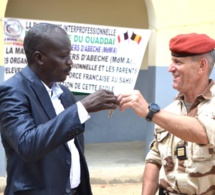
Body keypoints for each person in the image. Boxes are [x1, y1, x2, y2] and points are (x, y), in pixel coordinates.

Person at [0, 23, 118, 195]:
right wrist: (81, 108)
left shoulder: (63, 92)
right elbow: (27, 144)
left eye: (69, 54)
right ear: (39, 58)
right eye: (63, 56)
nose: (70, 62)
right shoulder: (13, 92)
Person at [118, 33, 215, 195]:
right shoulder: (169, 111)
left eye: (178, 62)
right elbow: (154, 159)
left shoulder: (160, 114)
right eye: (171, 61)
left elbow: (204, 132)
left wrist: (150, 112)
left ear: (201, 66)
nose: (170, 68)